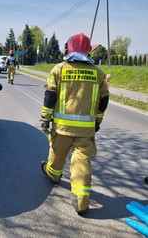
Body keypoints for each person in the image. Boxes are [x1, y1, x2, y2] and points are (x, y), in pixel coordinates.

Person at [40, 33, 110, 215]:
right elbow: (103, 101)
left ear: (68, 48)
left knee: (56, 157)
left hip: (62, 128)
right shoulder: (98, 73)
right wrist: (98, 121)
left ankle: (54, 176)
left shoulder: (59, 69)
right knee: (82, 163)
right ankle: (81, 203)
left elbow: (50, 97)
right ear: (89, 50)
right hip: (86, 130)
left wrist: (45, 119)